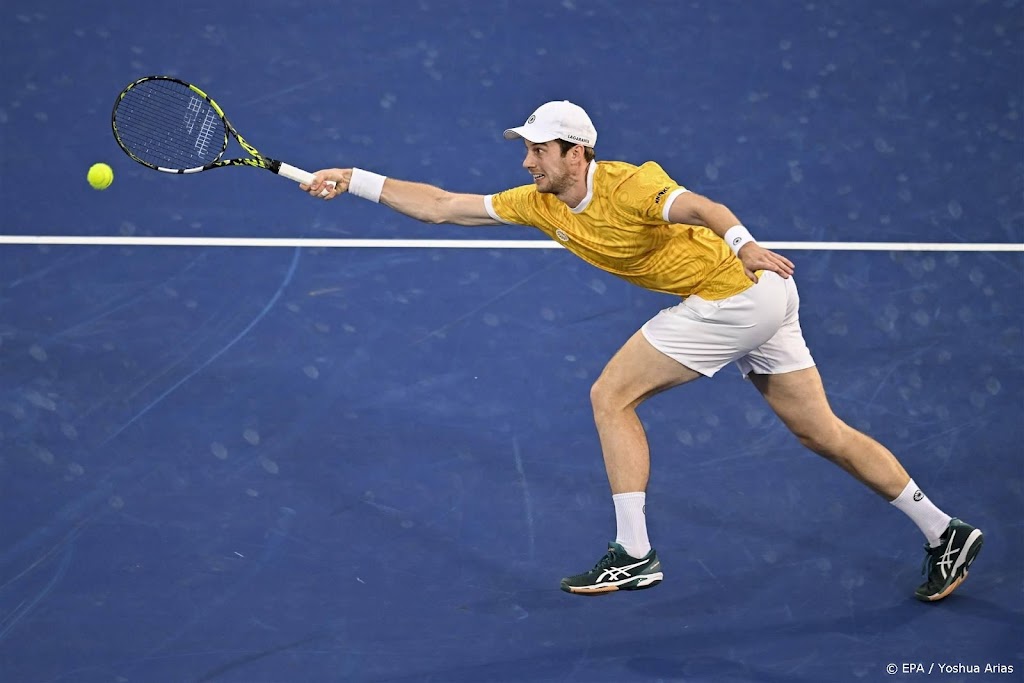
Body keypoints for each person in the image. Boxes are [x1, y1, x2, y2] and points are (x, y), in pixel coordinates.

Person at [300, 100, 983, 601]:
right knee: (821, 432)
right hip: (758, 301)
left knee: (610, 394)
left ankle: (633, 551)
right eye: (527, 148)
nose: (525, 158)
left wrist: (744, 242)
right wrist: (353, 176)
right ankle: (942, 529)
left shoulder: (631, 186)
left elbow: (707, 209)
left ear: (578, 153)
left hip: (737, 295)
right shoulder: (540, 202)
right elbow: (443, 205)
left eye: (538, 149)